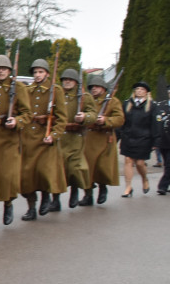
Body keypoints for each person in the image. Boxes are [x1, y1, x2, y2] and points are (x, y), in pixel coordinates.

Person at [0, 54, 31, 226]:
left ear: (9, 70)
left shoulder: (18, 87)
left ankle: (8, 203)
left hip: (9, 137)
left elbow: (27, 114)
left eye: (4, 68)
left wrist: (17, 121)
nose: (0, 71)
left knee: (6, 176)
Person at [20, 59, 67, 219]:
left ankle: (46, 197)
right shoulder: (27, 90)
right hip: (28, 138)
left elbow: (62, 118)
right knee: (27, 176)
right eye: (35, 72)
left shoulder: (56, 91)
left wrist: (54, 135)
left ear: (47, 73)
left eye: (41, 72)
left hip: (45, 137)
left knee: (43, 171)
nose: (38, 75)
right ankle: (31, 208)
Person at [82, 74, 125, 205]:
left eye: (96, 86)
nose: (93, 89)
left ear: (103, 88)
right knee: (87, 168)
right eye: (91, 87)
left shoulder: (113, 101)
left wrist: (106, 120)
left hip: (104, 138)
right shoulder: (87, 100)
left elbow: (120, 119)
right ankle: (88, 195)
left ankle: (102, 188)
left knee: (102, 167)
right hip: (89, 138)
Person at [57, 69, 97, 208]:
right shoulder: (57, 94)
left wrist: (85, 117)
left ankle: (74, 191)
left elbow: (93, 113)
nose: (67, 81)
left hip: (76, 137)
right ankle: (55, 200)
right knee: (57, 170)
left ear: (76, 81)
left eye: (70, 79)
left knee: (74, 168)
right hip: (59, 137)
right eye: (64, 79)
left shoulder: (85, 97)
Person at [120, 81, 158, 196]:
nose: (139, 91)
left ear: (146, 92)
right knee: (128, 160)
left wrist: (155, 141)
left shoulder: (152, 105)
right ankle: (128, 187)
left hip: (144, 138)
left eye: (142, 89)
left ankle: (145, 179)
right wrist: (118, 135)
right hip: (129, 137)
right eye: (137, 89)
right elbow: (122, 121)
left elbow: (154, 124)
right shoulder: (127, 104)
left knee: (140, 163)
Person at [155, 87, 170, 194]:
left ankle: (163, 186)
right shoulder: (161, 106)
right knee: (166, 164)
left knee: (169, 164)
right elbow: (157, 122)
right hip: (163, 141)